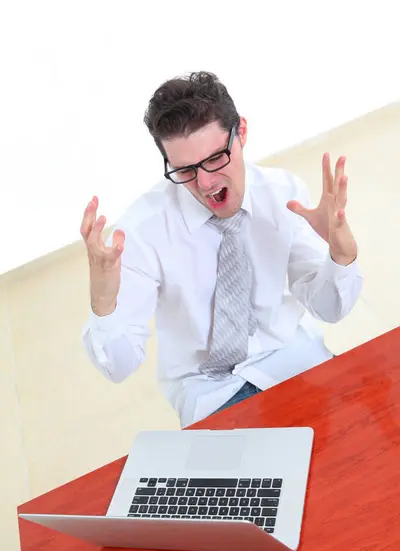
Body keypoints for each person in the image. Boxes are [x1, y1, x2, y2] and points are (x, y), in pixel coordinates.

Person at [81, 71, 363, 428]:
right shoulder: (140, 232)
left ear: (241, 133)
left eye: (216, 158)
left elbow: (329, 309)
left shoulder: (283, 193)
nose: (205, 182)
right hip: (209, 391)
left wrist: (341, 254)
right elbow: (118, 368)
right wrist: (103, 304)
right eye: (184, 170)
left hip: (292, 361)